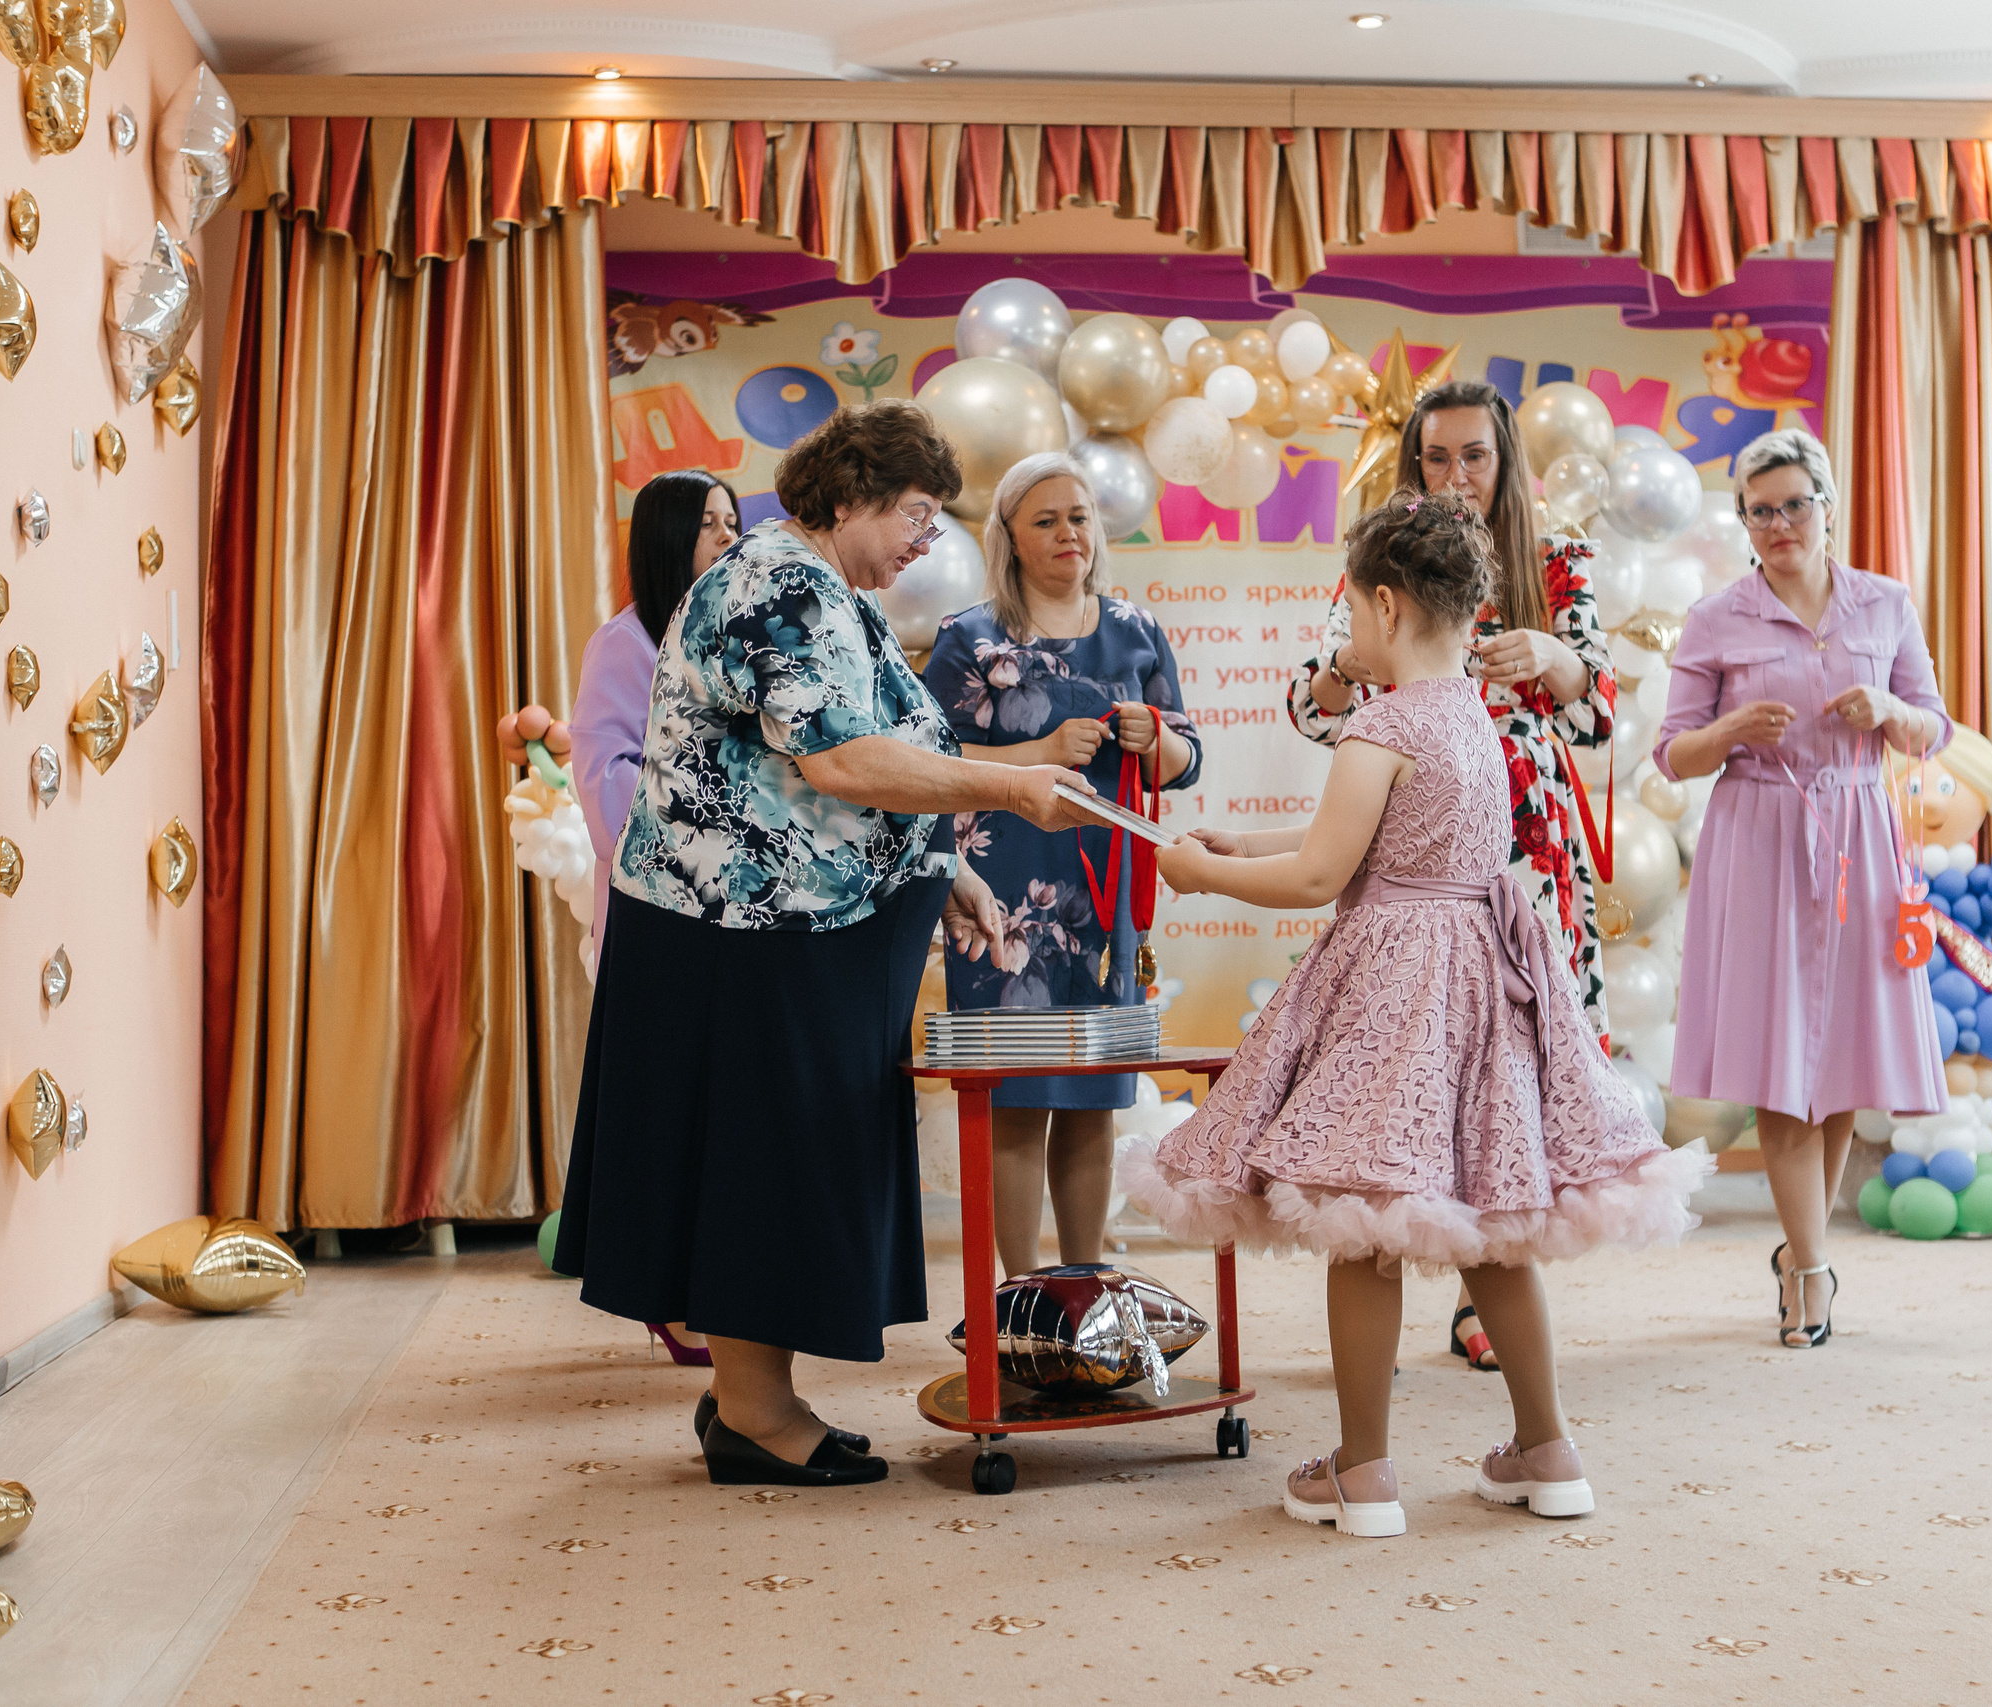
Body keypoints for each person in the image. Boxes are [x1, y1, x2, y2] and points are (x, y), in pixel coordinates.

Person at [1125, 494, 1705, 1540]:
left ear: (1386, 606)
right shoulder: (1472, 717)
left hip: (1397, 990)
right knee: (1490, 1226)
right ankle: (1548, 1450)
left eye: (1351, 609)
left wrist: (1203, 875)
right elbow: (1370, 838)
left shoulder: (1382, 722)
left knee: (1366, 1220)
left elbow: (1321, 876)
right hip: (1476, 977)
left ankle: (1362, 1469)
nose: (1347, 630)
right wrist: (1244, 845)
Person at [552, 400, 1097, 1488]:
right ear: (848, 496)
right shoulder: (778, 585)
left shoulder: (828, 589)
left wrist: (948, 869)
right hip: (741, 936)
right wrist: (1008, 788)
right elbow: (842, 762)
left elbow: (870, 760)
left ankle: (750, 1398)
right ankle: (755, 1411)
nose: (925, 539)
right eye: (914, 512)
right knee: (763, 1166)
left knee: (784, 1160)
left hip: (781, 933)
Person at [1284, 378, 1616, 1375]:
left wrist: (1553, 656)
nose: (1456, 474)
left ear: (1504, 460)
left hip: (1527, 843)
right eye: (1437, 456)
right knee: (1418, 1066)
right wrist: (1350, 664)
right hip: (1419, 843)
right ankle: (1405, 1258)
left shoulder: (1556, 560)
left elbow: (1597, 714)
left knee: (1512, 1067)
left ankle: (1489, 1284)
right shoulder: (1390, 558)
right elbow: (1313, 708)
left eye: (1474, 455)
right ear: (1413, 462)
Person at [1651, 428, 1951, 1350]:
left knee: (1844, 1061)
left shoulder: (1885, 603)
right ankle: (1812, 1272)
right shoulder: (1716, 617)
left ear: (1828, 506)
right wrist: (1731, 728)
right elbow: (1672, 754)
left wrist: (1890, 710)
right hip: (1760, 837)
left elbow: (1933, 728)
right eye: (1760, 511)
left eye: (1794, 505)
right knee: (1782, 1065)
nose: (1779, 523)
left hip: (1861, 836)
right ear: (1743, 522)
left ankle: (1800, 1253)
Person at [923, 453, 1203, 1277]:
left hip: (1105, 901)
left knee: (1091, 1100)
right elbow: (925, 759)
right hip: (1001, 897)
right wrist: (1035, 753)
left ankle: (1082, 1287)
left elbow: (1188, 761)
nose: (1067, 533)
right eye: (1044, 520)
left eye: (1078, 516)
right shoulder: (969, 638)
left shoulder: (1136, 629)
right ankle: (1019, 1294)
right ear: (1009, 536)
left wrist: (1159, 738)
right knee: (1016, 1096)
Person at [498, 468, 740, 1366]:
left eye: (732, 521)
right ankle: (665, 1298)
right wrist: (719, 814)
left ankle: (716, 1289)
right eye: (708, 523)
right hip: (658, 912)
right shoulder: (624, 642)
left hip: (736, 913)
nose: (727, 538)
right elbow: (607, 789)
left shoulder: (736, 635)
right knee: (664, 1115)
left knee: (720, 1116)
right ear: (665, 534)